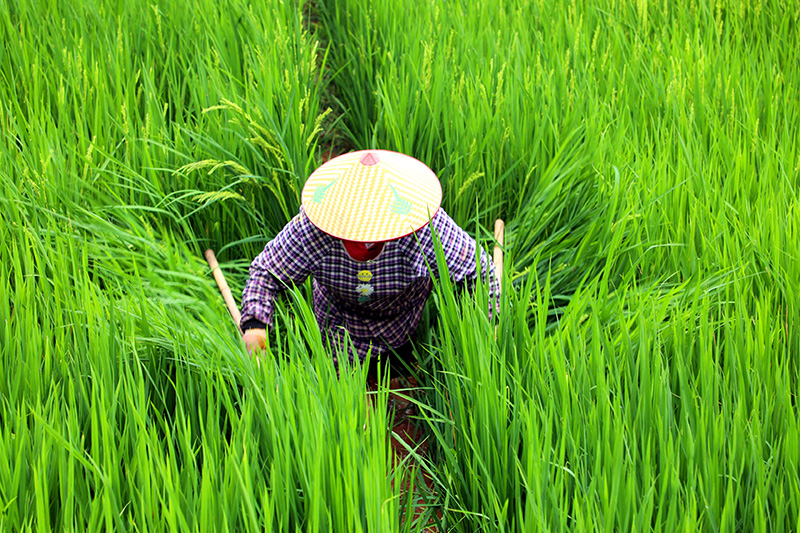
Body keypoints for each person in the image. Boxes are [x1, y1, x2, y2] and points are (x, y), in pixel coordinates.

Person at [240, 150, 498, 369]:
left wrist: (492, 324)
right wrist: (255, 325)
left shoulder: (420, 224)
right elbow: (267, 271)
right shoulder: (314, 227)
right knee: (342, 397)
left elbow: (480, 271)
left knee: (400, 369)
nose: (363, 240)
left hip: (401, 320)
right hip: (338, 323)